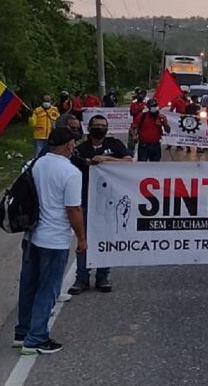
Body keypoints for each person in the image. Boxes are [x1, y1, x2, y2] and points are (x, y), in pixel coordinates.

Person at [14, 126, 85, 355]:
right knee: (48, 289)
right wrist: (82, 238)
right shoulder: (71, 172)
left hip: (32, 234)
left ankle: (22, 333)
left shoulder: (34, 164)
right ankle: (36, 339)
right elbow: (73, 209)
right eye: (73, 142)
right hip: (54, 239)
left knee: (29, 285)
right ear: (69, 145)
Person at [68, 115, 133, 295]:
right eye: (96, 125)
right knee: (84, 240)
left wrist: (107, 160)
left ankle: (103, 276)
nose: (99, 128)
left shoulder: (114, 145)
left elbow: (129, 161)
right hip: (86, 200)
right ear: (89, 128)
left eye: (102, 125)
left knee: (105, 239)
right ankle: (81, 278)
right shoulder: (80, 149)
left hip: (109, 200)